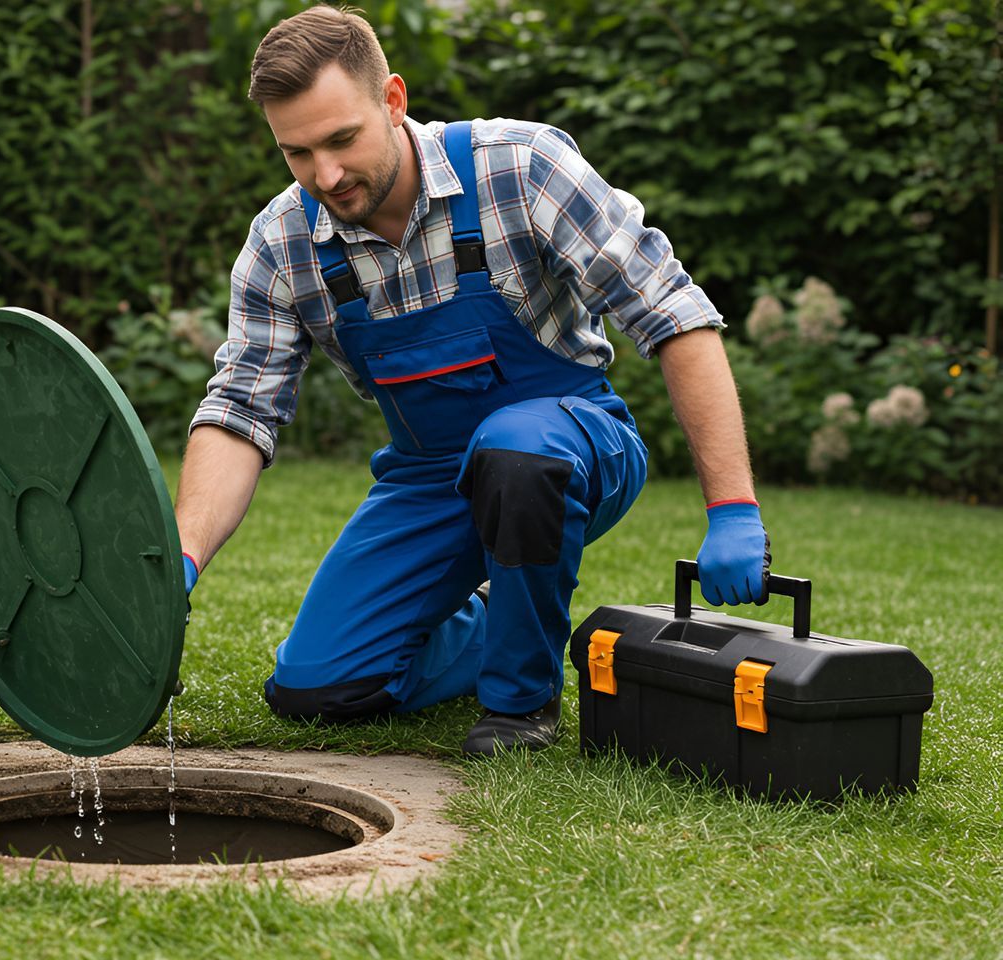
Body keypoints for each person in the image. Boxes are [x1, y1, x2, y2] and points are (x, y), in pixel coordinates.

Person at [173, 4, 771, 756]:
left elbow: (673, 314)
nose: (325, 175)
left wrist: (733, 507)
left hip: (574, 437)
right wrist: (181, 556)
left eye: (341, 140)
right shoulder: (283, 244)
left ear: (393, 100)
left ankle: (520, 703)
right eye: (297, 153)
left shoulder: (519, 168)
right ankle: (502, 612)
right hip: (430, 476)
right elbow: (239, 410)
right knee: (317, 690)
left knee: (517, 448)